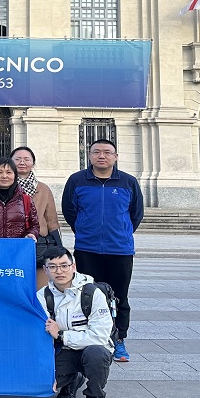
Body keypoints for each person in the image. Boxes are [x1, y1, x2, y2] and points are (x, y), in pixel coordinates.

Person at [61, 139, 143, 363]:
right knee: (87, 295)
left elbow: (136, 214)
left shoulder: (128, 182)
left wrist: (121, 232)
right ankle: (89, 338)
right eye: (96, 152)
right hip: (87, 249)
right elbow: (69, 211)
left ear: (115, 157)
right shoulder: (77, 180)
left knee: (119, 296)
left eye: (107, 152)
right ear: (89, 155)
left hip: (120, 250)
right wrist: (84, 229)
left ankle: (118, 339)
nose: (101, 156)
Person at [38, 246, 114, 398]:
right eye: (53, 267)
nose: (59, 271)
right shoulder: (42, 296)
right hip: (63, 351)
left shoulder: (92, 293)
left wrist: (62, 335)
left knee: (97, 354)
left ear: (73, 266)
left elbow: (100, 336)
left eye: (64, 265)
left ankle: (94, 397)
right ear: (45, 270)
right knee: (41, 380)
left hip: (91, 348)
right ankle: (72, 379)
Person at [12, 146, 62, 289]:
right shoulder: (4, 187)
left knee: (40, 288)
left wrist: (59, 247)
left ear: (33, 163)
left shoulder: (43, 189)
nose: (22, 162)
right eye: (17, 159)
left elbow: (52, 220)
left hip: (39, 243)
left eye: (26, 159)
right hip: (12, 242)